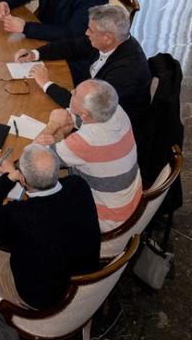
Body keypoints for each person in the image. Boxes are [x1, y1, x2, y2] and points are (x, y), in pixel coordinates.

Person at [0, 145, 100, 309]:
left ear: (22, 180)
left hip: (41, 295)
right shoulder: (79, 186)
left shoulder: (23, 215)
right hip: (82, 277)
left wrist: (9, 178)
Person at [15, 4, 151, 128]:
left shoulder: (127, 71)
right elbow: (72, 46)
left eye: (91, 30)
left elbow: (86, 106)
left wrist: (46, 84)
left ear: (107, 38)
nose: (86, 33)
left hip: (108, 127)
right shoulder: (108, 41)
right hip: (88, 102)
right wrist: (35, 53)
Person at [35, 79, 143, 233]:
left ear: (85, 113)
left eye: (75, 93)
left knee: (35, 203)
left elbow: (34, 161)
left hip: (107, 220)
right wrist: (62, 130)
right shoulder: (115, 109)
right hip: (129, 203)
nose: (71, 92)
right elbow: (74, 120)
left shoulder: (87, 141)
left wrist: (52, 125)